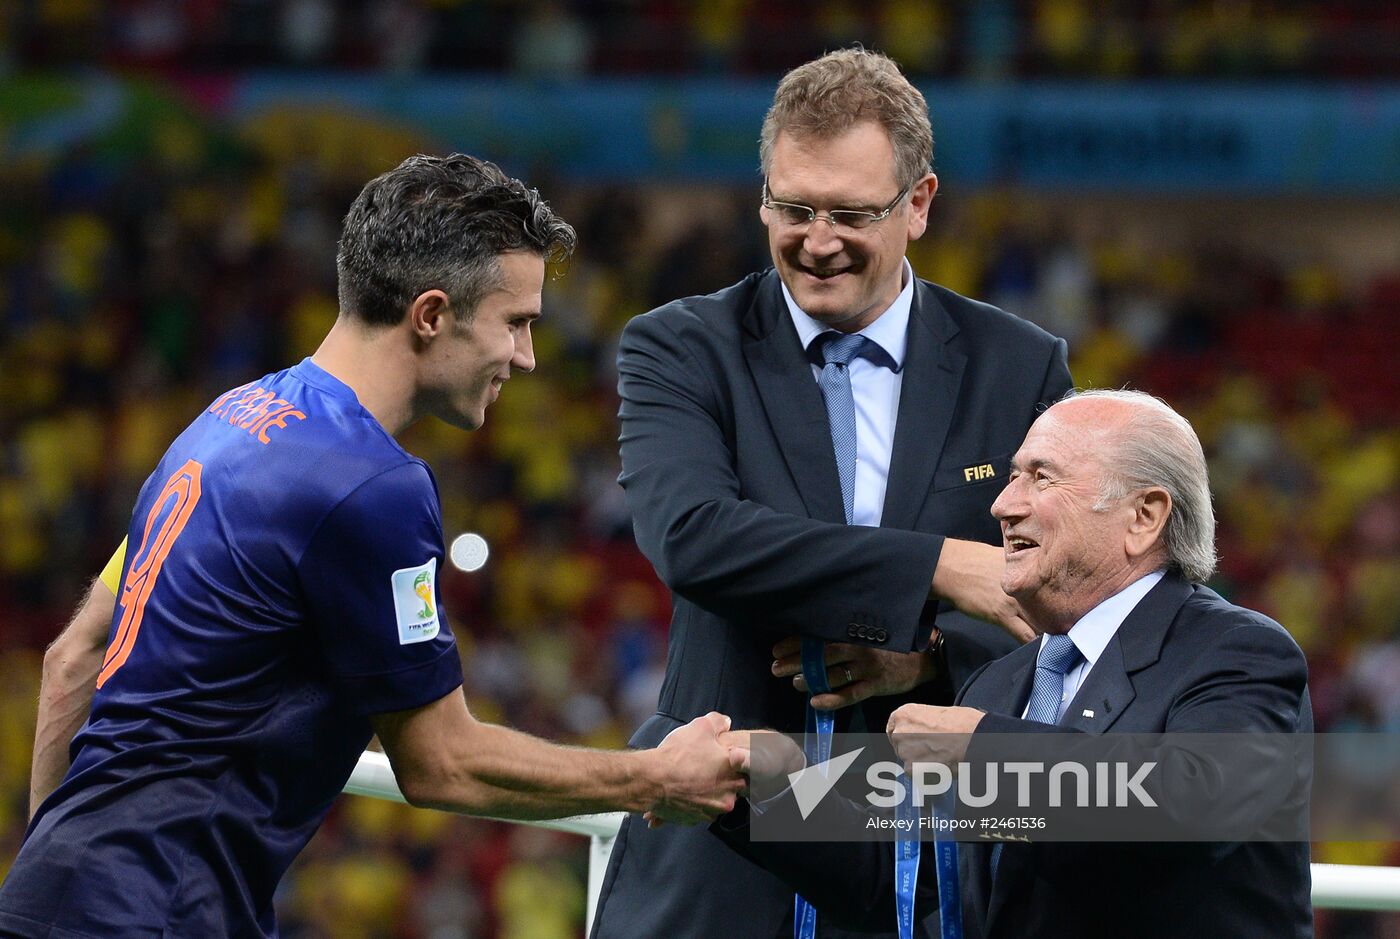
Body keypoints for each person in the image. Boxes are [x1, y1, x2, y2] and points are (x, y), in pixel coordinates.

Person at [0, 153, 744, 939]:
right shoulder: (369, 482)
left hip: (50, 896)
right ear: (430, 314)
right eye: (515, 322)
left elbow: (73, 658)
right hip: (155, 917)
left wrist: (55, 882)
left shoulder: (224, 420)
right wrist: (653, 778)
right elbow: (440, 762)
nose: (525, 356)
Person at [592, 48, 1073, 939]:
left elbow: (1067, 601)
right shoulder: (681, 347)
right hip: (718, 852)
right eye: (793, 207)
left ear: (919, 203)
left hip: (925, 857)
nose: (817, 241)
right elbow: (693, 537)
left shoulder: (1020, 366)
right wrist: (936, 566)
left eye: (851, 213)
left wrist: (927, 650)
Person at [717, 390, 1314, 939]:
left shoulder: (1238, 653)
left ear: (1144, 516)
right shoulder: (1001, 681)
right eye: (1011, 477)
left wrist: (982, 749)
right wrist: (761, 784)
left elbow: (1194, 808)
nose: (1003, 504)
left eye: (1041, 478)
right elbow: (902, 875)